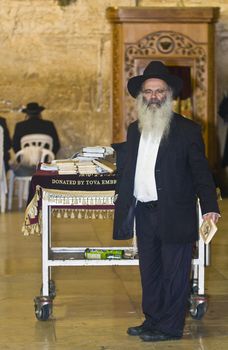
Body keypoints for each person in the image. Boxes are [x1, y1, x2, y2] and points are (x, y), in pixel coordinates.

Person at [113, 61, 220, 342]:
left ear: (169, 94)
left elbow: (201, 173)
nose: (154, 96)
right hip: (144, 212)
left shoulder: (188, 130)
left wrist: (210, 207)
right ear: (141, 96)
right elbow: (130, 168)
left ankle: (170, 327)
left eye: (160, 91)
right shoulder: (134, 130)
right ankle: (153, 320)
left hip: (175, 212)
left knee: (175, 274)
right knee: (150, 271)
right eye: (148, 91)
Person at [12, 102, 60, 176]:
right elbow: (57, 145)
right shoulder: (49, 125)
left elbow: (15, 146)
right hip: (45, 164)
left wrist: (23, 159)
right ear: (39, 113)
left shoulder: (20, 126)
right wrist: (49, 158)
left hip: (25, 165)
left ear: (27, 114)